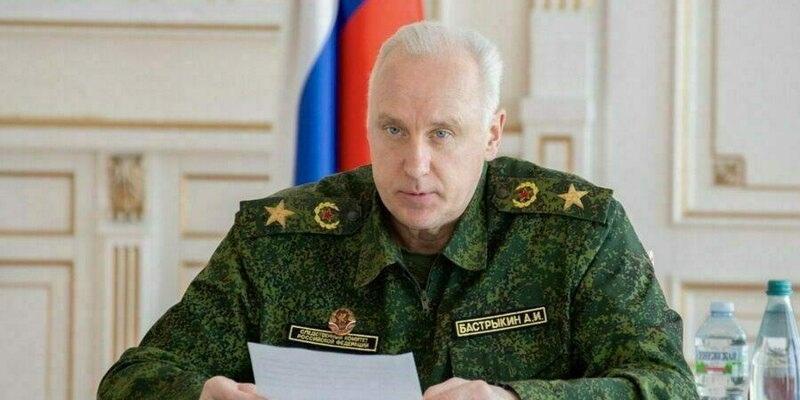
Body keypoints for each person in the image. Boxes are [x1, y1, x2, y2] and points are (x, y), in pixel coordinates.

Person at [97, 22, 697, 400]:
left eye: (442, 133)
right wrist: (204, 394)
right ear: (367, 126)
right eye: (393, 130)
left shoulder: (578, 232)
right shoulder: (279, 239)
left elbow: (668, 385)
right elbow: (132, 378)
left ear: (492, 135)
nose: (415, 164)